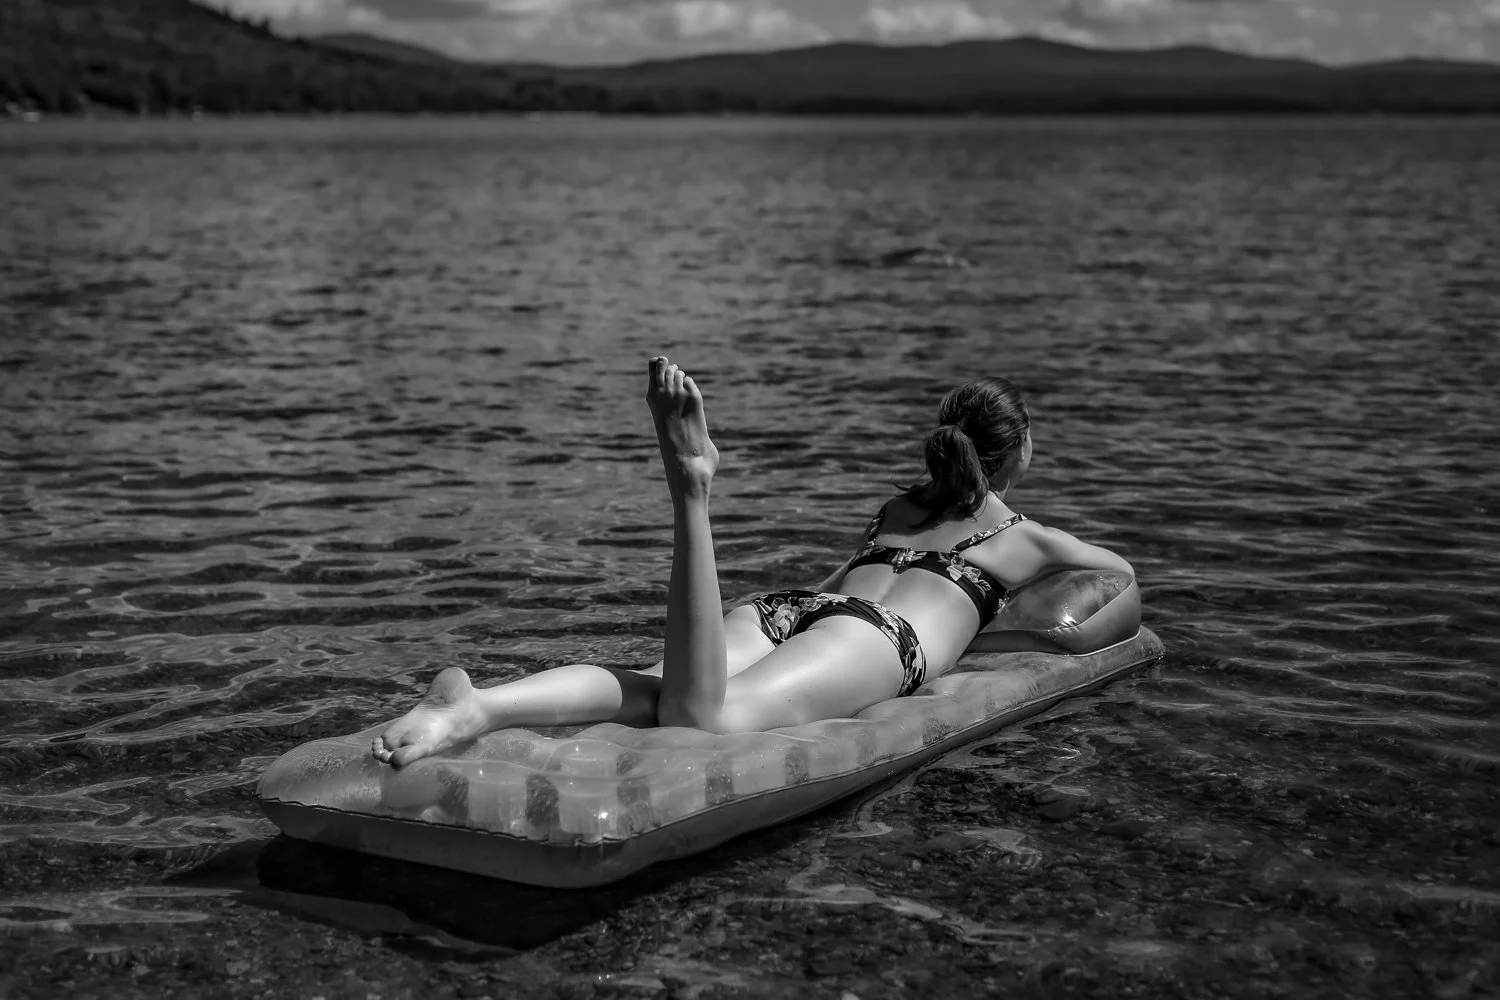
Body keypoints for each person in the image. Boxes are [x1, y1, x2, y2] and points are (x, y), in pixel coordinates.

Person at [372, 356, 1133, 768]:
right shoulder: (1026, 536)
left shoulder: (899, 508)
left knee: (670, 694)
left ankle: (477, 706)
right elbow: (1118, 582)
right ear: (1017, 455)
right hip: (874, 636)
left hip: (793, 609)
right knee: (707, 720)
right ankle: (692, 495)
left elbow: (846, 582)